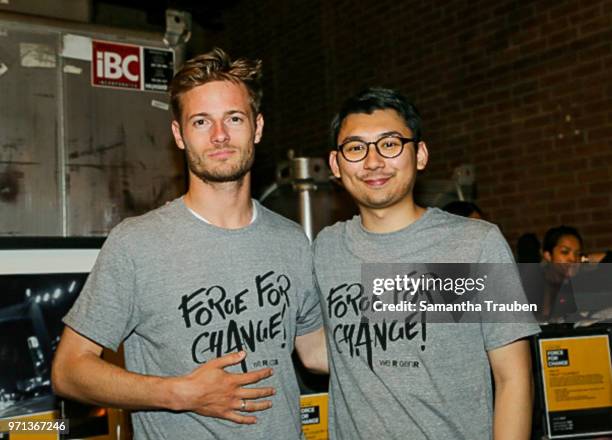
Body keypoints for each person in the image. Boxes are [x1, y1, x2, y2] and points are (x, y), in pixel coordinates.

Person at [51, 48, 327, 440]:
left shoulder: (290, 240)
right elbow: (69, 370)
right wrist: (179, 393)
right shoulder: (137, 244)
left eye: (234, 118)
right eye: (201, 121)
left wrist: (424, 339)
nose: (219, 135)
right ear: (179, 135)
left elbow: (316, 352)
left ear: (258, 127)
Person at [313, 87, 540, 439]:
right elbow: (316, 352)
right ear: (335, 165)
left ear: (419, 154)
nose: (373, 162)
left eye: (389, 144)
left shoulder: (476, 244)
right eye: (356, 148)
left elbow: (513, 377)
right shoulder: (325, 250)